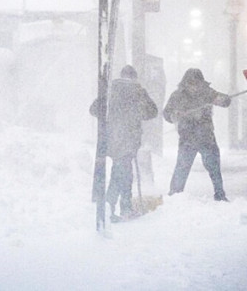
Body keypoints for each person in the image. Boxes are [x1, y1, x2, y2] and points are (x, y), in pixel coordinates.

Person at [89, 65, 158, 220]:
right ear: (134, 77)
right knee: (121, 174)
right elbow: (152, 112)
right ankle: (113, 207)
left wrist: (110, 116)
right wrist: (134, 113)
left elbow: (94, 109)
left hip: (111, 138)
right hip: (129, 139)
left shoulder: (110, 90)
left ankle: (120, 208)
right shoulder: (138, 91)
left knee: (123, 173)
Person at [163, 68, 231, 201]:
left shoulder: (208, 93)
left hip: (206, 137)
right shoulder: (177, 95)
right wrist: (174, 115)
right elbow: (166, 113)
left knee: (214, 167)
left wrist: (222, 100)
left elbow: (226, 102)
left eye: (197, 83)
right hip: (187, 138)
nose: (194, 87)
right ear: (185, 83)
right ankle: (175, 195)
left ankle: (220, 195)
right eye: (191, 84)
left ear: (201, 83)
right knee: (182, 167)